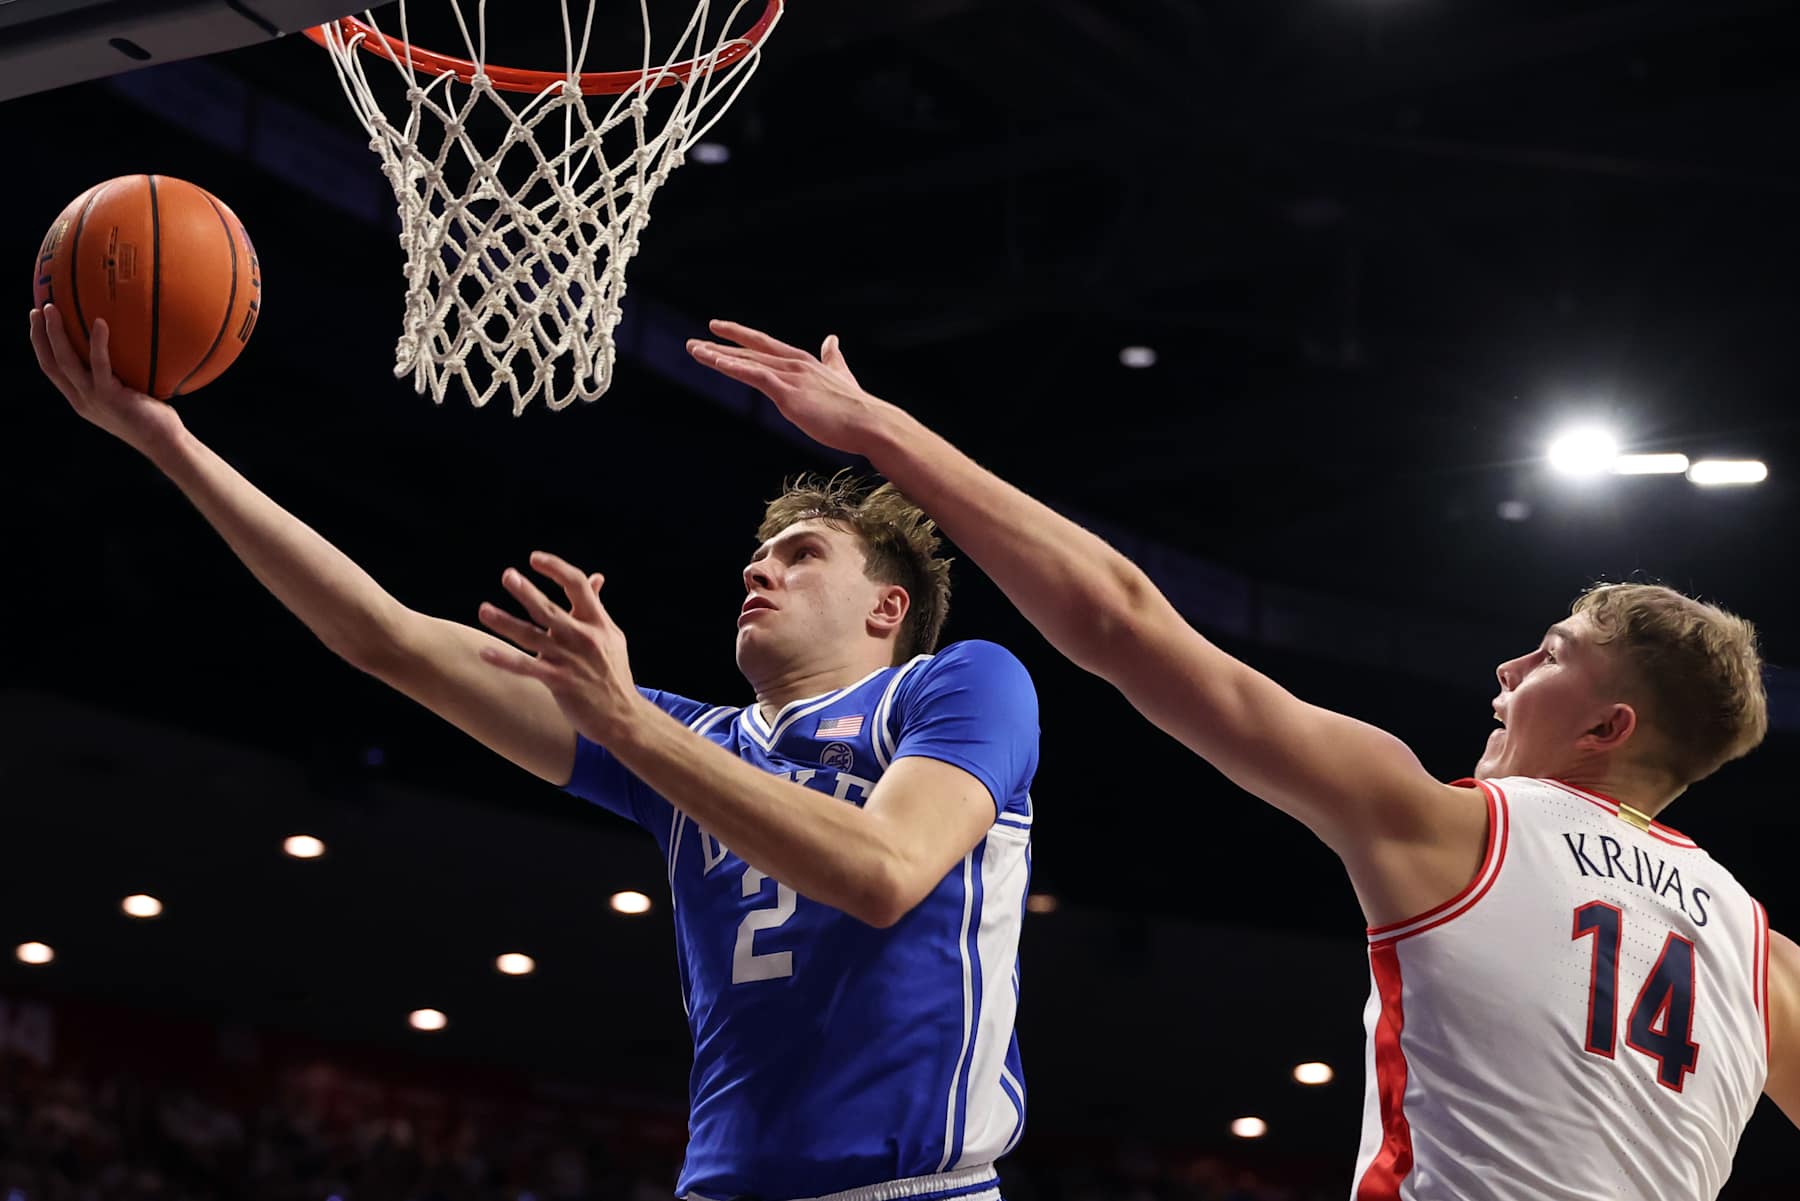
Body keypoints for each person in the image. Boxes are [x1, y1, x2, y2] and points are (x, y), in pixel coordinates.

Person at [689, 320, 1799, 1201]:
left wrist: (887, 434)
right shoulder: (1760, 949)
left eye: (1550, 655)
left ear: (1609, 728)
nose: (1507, 668)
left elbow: (1124, 622)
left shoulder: (1458, 826)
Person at [30, 305, 1040, 1201]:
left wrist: (627, 723)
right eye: (754, 560)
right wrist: (169, 446)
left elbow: (884, 871)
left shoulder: (958, 683)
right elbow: (385, 637)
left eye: (800, 554)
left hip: (915, 1189)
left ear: (888, 606)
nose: (758, 573)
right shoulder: (688, 741)